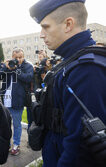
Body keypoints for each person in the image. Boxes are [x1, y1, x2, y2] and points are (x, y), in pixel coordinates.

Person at [30, 0, 106, 166]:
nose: (42, 34)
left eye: (46, 27)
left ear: (68, 24)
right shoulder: (72, 62)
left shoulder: (86, 69)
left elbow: (79, 147)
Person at [0, 48, 34, 155]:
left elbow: (28, 78)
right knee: (5, 124)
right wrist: (5, 67)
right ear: (12, 57)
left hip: (18, 99)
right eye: (15, 58)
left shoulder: (28, 66)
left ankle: (16, 145)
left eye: (20, 57)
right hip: (6, 98)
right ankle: (6, 144)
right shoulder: (7, 65)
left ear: (23, 56)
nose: (18, 59)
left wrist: (16, 69)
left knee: (17, 124)